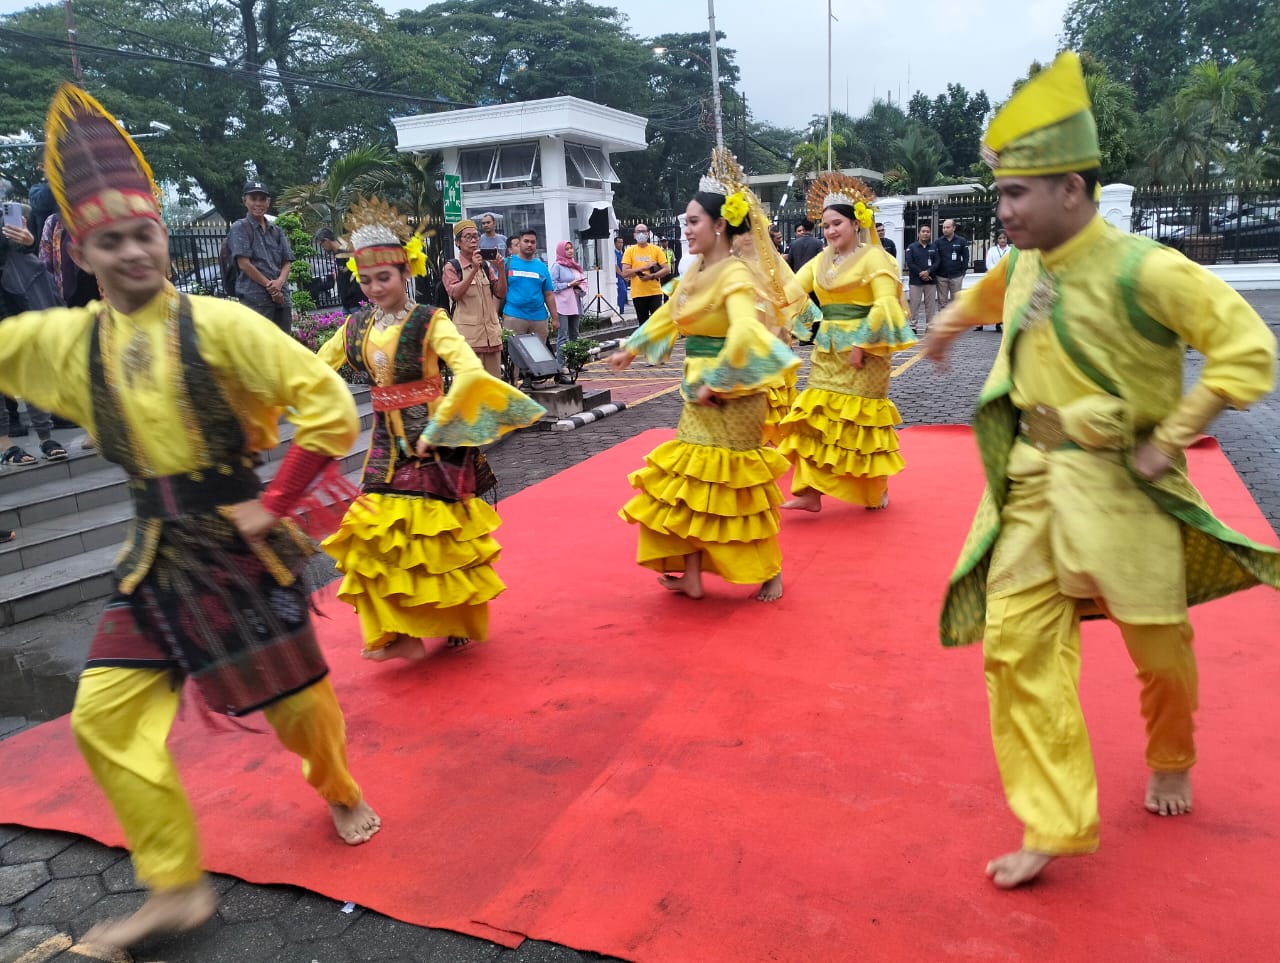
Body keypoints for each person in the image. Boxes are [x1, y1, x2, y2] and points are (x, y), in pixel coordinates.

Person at [0, 85, 380, 951]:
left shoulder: (221, 325)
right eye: (111, 240)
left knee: (303, 713)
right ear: (81, 250)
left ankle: (339, 787)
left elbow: (327, 405)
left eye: (145, 234)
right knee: (103, 717)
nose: (133, 251)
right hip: (152, 558)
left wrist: (274, 503)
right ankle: (174, 887)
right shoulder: (60, 342)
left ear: (163, 236)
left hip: (239, 550)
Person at [921, 53, 1280, 890]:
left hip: (1124, 486)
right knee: (1013, 648)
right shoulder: (1027, 261)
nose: (1002, 210)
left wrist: (1179, 431)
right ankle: (1052, 818)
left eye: (1016, 194)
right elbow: (989, 291)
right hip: (1032, 484)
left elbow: (1247, 349)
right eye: (1000, 193)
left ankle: (1172, 752)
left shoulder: (1147, 268)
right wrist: (944, 324)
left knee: (1159, 648)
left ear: (1073, 192)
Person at [319, 199, 544, 661]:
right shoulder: (355, 325)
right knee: (376, 532)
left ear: (406, 274)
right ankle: (397, 629)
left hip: (433, 439)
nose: (376, 287)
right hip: (384, 443)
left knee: (439, 537)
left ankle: (456, 618)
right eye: (366, 280)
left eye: (384, 277)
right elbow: (314, 368)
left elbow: (468, 371)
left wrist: (440, 426)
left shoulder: (430, 320)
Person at [610, 152, 800, 603]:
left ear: (719, 226)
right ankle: (692, 575)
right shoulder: (694, 271)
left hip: (734, 394)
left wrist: (721, 379)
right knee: (690, 483)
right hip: (699, 392)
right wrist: (631, 349)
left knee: (734, 486)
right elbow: (671, 315)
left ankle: (768, 570)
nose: (688, 229)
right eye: (686, 222)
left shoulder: (734, 274)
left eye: (694, 221)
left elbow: (744, 331)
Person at [776, 174, 916, 512]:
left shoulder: (876, 258)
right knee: (814, 418)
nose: (830, 231)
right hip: (828, 351)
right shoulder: (822, 260)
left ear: (856, 223)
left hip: (865, 354)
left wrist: (862, 345)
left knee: (861, 422)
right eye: (825, 226)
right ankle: (810, 492)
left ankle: (873, 490)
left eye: (836, 223)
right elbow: (792, 291)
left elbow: (885, 304)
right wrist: (805, 328)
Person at [2, 205, 67, 464]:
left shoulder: (6, 212)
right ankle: (5, 444)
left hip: (14, 296)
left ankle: (45, 436)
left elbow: (22, 249)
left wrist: (28, 240)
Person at [443, 219, 506, 378]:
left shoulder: (485, 265)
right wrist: (472, 269)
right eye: (468, 237)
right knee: (471, 390)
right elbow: (455, 294)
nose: (473, 240)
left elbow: (500, 293)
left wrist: (500, 269)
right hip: (468, 340)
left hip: (491, 337)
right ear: (458, 242)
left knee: (493, 388)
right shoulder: (452, 267)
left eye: (476, 236)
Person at [229, 180, 294, 333]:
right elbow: (244, 264)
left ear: (268, 202)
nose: (258, 203)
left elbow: (287, 261)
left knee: (284, 345)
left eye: (262, 199)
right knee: (259, 347)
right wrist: (271, 288)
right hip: (255, 300)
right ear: (245, 201)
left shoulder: (276, 230)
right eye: (253, 199)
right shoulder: (240, 227)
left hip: (281, 299)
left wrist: (279, 283)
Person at [503, 230, 559, 389]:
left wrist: (555, 318)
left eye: (533, 242)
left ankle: (533, 383)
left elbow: (549, 294)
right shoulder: (507, 264)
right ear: (519, 243)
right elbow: (499, 291)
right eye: (526, 241)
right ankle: (512, 386)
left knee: (537, 354)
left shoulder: (541, 267)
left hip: (538, 318)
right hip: (514, 316)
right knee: (513, 355)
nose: (529, 245)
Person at [550, 240, 587, 385]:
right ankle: (561, 365)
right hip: (562, 305)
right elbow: (552, 285)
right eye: (567, 249)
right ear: (561, 251)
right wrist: (568, 284)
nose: (570, 251)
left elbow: (583, 282)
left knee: (574, 334)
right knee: (563, 336)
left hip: (575, 303)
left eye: (571, 248)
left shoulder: (575, 265)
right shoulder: (557, 266)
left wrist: (580, 287)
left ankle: (573, 363)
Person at [621, 223, 669, 326]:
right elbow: (625, 272)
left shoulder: (656, 249)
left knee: (657, 323)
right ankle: (646, 342)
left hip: (654, 292)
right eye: (638, 232)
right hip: (638, 294)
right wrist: (643, 268)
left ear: (648, 234)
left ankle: (658, 341)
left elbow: (666, 269)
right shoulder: (629, 251)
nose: (641, 234)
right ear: (634, 235)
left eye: (643, 231)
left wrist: (651, 276)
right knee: (643, 324)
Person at [904, 225, 939, 333]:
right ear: (918, 233)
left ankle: (930, 326)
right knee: (914, 304)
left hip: (930, 280)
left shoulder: (933, 247)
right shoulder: (912, 247)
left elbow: (937, 262)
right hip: (916, 281)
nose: (925, 233)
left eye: (928, 231)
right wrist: (921, 273)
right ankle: (913, 326)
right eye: (923, 231)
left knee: (930, 305)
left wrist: (928, 272)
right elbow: (910, 263)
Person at [934, 218, 970, 313]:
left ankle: (955, 323)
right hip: (941, 276)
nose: (945, 229)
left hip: (956, 276)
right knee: (942, 302)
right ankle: (943, 323)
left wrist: (963, 272)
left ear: (954, 228)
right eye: (943, 227)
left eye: (948, 227)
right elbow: (935, 258)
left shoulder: (961, 241)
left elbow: (966, 257)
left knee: (957, 302)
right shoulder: (938, 242)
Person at [982, 229, 1011, 333]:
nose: (1002, 240)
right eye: (1000, 238)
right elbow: (989, 263)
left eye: (1004, 238)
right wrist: (996, 272)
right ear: (997, 240)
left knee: (1004, 301)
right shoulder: (992, 250)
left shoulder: (1011, 250)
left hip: (1006, 278)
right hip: (994, 278)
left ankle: (1000, 322)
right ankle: (982, 321)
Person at [613, 235, 629, 312]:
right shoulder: (614, 253)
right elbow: (615, 266)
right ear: (615, 243)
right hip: (618, 276)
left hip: (623, 275)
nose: (620, 244)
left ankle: (621, 309)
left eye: (622, 242)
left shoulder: (622, 253)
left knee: (623, 293)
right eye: (618, 242)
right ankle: (619, 310)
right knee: (622, 291)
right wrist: (623, 275)